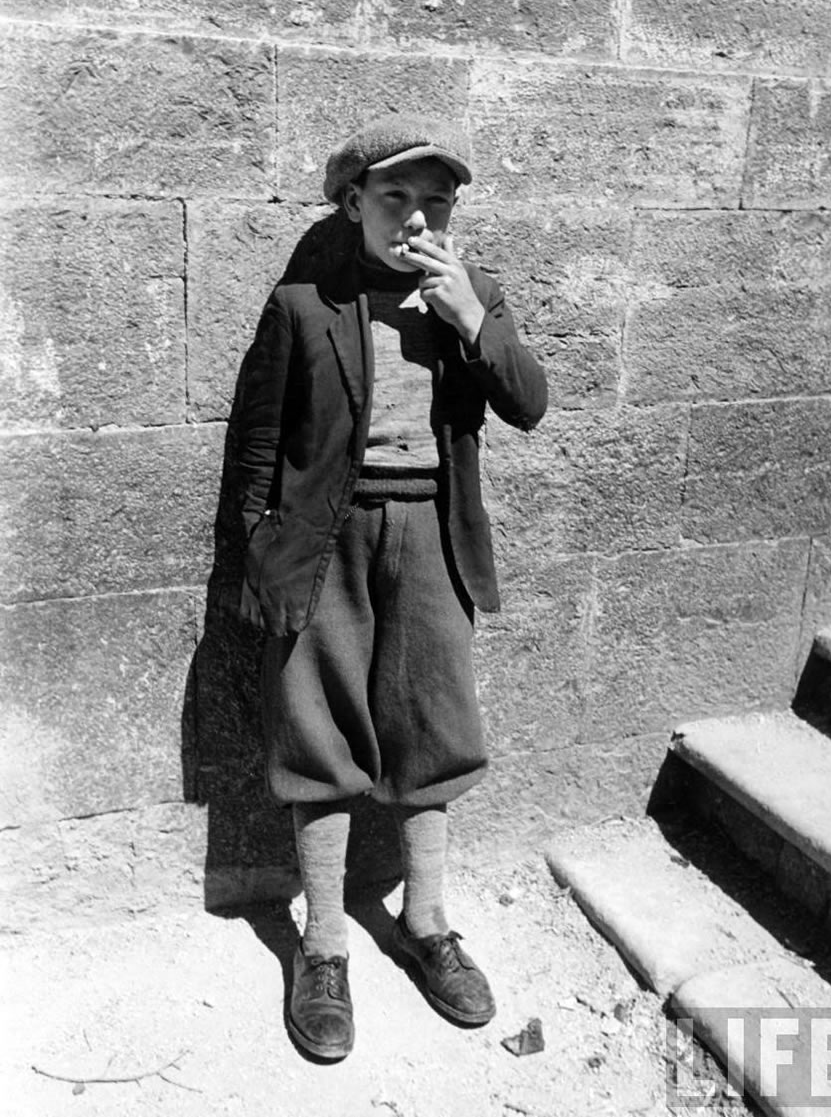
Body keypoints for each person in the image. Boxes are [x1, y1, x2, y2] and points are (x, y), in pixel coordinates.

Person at [236, 113, 547, 1060]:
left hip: (431, 533)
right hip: (324, 537)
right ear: (352, 202)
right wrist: (256, 553)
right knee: (320, 727)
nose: (415, 218)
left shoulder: (469, 296)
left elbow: (528, 404)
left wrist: (470, 317)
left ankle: (427, 922)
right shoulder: (304, 302)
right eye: (394, 198)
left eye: (435, 202)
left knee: (432, 721)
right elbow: (254, 444)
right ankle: (324, 944)